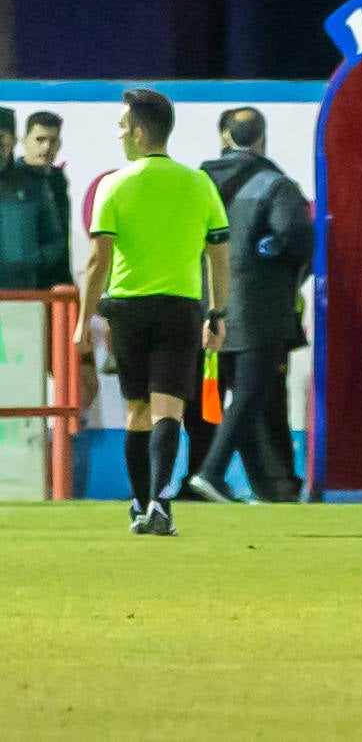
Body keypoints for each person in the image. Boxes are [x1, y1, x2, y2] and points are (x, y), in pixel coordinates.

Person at [73, 88, 230, 536]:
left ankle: (141, 504)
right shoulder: (198, 183)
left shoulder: (114, 184)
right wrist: (217, 313)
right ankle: (161, 503)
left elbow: (98, 260)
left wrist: (84, 322)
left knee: (136, 411)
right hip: (180, 308)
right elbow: (219, 254)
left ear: (140, 134)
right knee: (169, 411)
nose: (120, 135)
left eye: (123, 128)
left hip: (127, 308)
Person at [187, 107, 313, 504]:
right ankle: (212, 473)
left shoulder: (197, 184)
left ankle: (264, 487)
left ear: (224, 137)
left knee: (212, 397)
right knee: (252, 397)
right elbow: (299, 239)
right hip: (258, 311)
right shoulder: (275, 186)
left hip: (202, 309)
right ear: (262, 140)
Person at [0, 106, 65, 290]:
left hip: (24, 293)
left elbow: (55, 239)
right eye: (40, 139)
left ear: (12, 142)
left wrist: (31, 260)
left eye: (0, 142)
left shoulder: (34, 184)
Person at [16, 110, 72, 287]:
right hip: (19, 286)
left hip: (56, 284)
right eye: (40, 139)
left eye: (52, 141)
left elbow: (62, 235)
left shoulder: (57, 180)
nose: (46, 147)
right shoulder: (10, 180)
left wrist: (66, 280)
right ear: (24, 141)